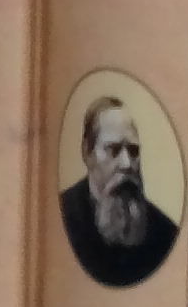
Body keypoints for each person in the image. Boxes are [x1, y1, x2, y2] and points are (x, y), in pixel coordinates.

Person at [59, 95, 179, 288]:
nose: (127, 163)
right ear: (87, 153)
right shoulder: (61, 215)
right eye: (113, 150)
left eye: (133, 151)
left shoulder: (165, 233)